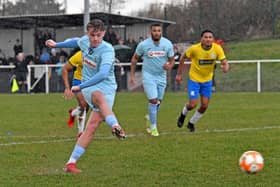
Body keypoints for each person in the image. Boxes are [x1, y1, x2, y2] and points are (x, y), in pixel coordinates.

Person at [45, 19, 126, 173]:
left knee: (92, 126)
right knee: (98, 97)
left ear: (103, 34)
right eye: (92, 35)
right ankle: (115, 125)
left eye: (98, 35)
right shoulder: (85, 41)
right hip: (90, 87)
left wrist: (79, 86)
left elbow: (103, 74)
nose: (95, 39)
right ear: (88, 34)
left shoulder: (107, 50)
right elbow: (77, 41)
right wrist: (57, 44)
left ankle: (71, 163)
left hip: (107, 87)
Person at [176, 30, 230, 132]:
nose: (208, 39)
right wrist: (179, 74)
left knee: (204, 106)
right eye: (206, 37)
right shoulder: (194, 49)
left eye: (210, 37)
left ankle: (191, 123)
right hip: (194, 79)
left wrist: (225, 67)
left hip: (207, 81)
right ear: (201, 39)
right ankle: (183, 114)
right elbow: (183, 57)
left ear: (213, 39)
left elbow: (224, 62)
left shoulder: (217, 49)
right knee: (192, 104)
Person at [130, 23, 175, 137]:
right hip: (148, 76)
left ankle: (149, 117)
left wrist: (170, 66)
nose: (157, 32)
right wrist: (132, 75)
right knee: (153, 100)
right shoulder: (143, 45)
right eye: (154, 30)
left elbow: (172, 60)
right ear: (151, 32)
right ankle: (154, 127)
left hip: (161, 77)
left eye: (159, 30)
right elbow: (135, 59)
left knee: (158, 102)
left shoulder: (167, 44)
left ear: (161, 32)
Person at [62, 49, 88, 138]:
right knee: (83, 105)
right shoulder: (79, 55)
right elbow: (65, 69)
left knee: (86, 107)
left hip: (90, 82)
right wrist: (67, 88)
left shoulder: (99, 55)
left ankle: (73, 113)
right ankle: (81, 133)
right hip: (78, 81)